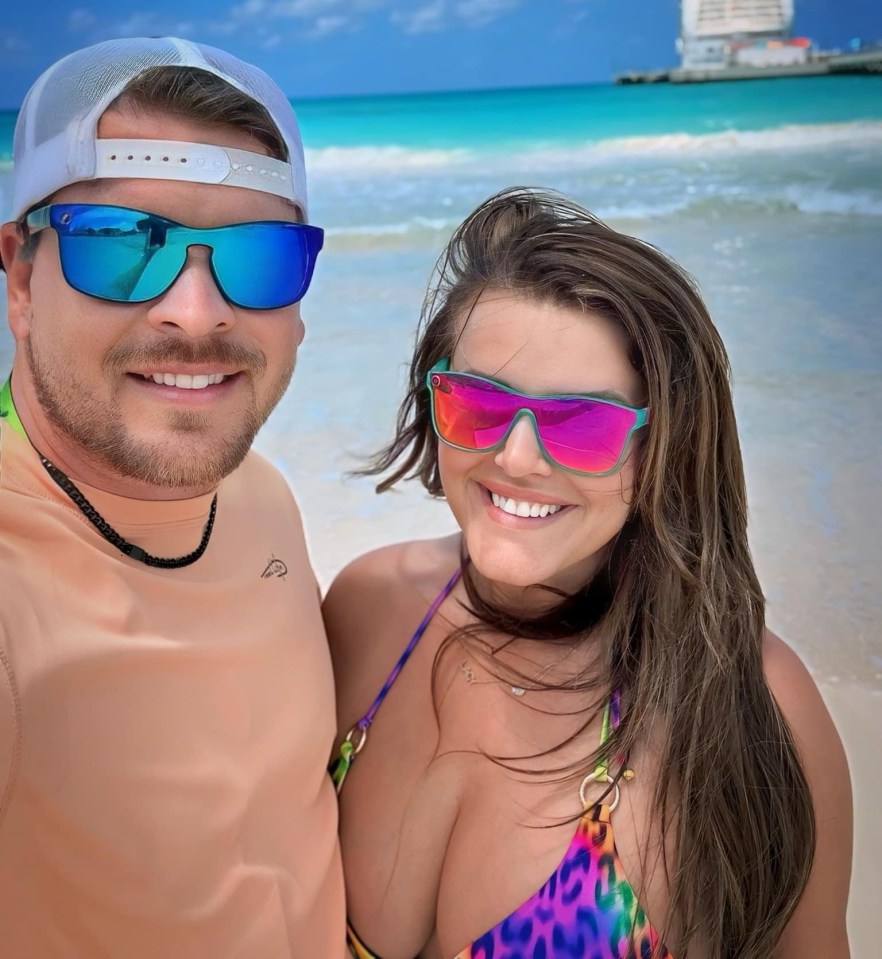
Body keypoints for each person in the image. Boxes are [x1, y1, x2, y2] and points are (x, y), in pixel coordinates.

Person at [324, 188, 852, 958]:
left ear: (664, 448)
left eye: (583, 423)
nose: (516, 457)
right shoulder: (369, 606)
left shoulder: (746, 700)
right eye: (478, 402)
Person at [0, 37, 344, 957]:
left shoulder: (259, 493)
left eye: (261, 257)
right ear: (21, 276)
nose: (196, 311)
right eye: (122, 246)